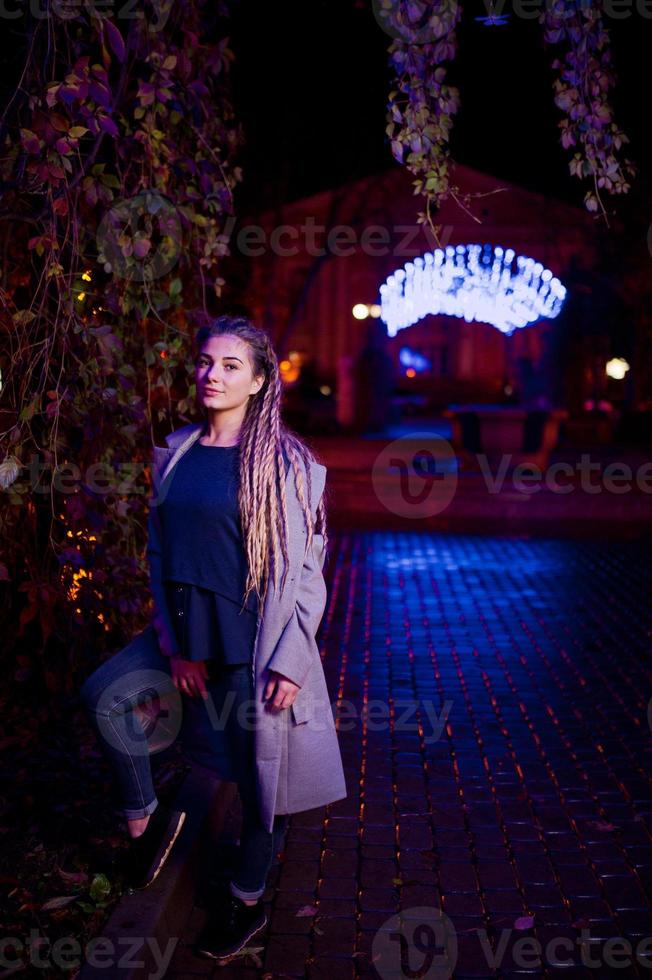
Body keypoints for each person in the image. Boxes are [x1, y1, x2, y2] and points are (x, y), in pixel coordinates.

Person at [79, 315, 347, 963]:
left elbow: (309, 571)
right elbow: (158, 552)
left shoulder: (287, 465)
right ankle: (147, 826)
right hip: (186, 633)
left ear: (258, 381)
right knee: (105, 695)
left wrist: (290, 661)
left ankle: (246, 901)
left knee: (262, 782)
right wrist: (174, 645)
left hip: (257, 643)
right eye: (204, 361)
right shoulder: (178, 451)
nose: (211, 374)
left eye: (230, 365)